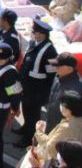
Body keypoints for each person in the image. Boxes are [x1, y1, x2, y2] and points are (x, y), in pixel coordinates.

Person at [15, 19, 58, 148]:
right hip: (27, 85)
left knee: (33, 115)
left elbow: (51, 74)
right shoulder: (34, 43)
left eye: (37, 32)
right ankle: (25, 128)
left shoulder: (50, 51)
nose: (34, 34)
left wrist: (43, 94)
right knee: (26, 110)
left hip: (37, 90)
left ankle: (28, 139)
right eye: (34, 32)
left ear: (43, 34)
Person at [24, 91, 82, 167]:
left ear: (69, 110)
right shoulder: (78, 120)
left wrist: (39, 131)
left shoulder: (66, 127)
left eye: (62, 104)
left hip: (50, 161)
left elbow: (50, 147)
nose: (60, 106)